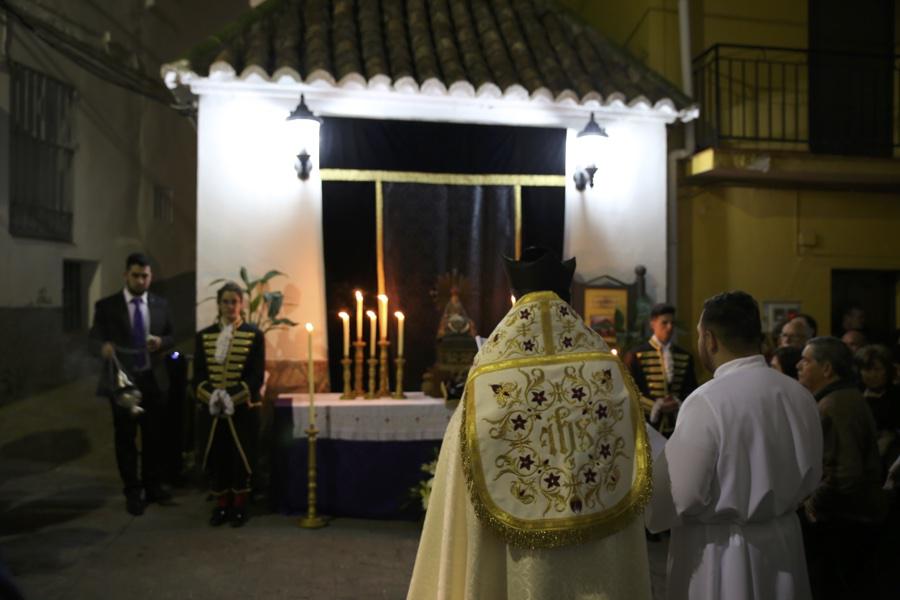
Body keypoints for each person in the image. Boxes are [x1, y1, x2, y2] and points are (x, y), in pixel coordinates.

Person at [407, 247, 653, 600]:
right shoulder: (606, 372)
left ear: (514, 298)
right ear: (568, 298)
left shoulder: (489, 376)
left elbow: (457, 469)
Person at [645, 291, 823, 600]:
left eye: (701, 335)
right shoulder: (799, 395)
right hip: (784, 544)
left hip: (721, 554)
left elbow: (680, 495)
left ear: (710, 340)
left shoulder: (706, 400)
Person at [797, 337, 888, 600]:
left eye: (807, 360)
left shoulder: (836, 405)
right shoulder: (839, 397)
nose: (799, 366)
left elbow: (845, 473)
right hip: (847, 518)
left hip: (846, 521)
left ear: (827, 369)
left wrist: (812, 505)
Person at [90, 252, 174, 516]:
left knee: (153, 437)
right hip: (122, 382)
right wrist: (102, 347)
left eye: (145, 276)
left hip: (152, 379)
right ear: (126, 275)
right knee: (125, 438)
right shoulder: (107, 306)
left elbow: (172, 334)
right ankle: (132, 491)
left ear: (151, 277)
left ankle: (152, 486)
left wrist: (161, 343)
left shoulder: (160, 304)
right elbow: (93, 338)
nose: (140, 280)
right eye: (136, 275)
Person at [194, 281, 265, 527]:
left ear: (241, 304)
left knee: (241, 457)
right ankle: (221, 505)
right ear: (219, 304)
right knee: (218, 457)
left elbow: (256, 375)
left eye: (234, 301)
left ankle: (239, 506)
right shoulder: (204, 336)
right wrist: (212, 396)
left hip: (243, 410)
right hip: (213, 411)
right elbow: (199, 375)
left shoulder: (254, 335)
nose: (229, 306)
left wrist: (231, 397)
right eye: (225, 301)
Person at [624, 303, 697, 437]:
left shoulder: (685, 356)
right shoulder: (635, 355)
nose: (669, 327)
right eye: (664, 323)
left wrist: (677, 403)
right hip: (647, 426)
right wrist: (654, 406)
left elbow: (691, 389)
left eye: (672, 323)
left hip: (677, 426)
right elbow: (629, 392)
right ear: (653, 323)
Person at [854, 345, 900, 471]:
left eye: (877, 369)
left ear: (887, 370)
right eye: (867, 370)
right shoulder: (854, 394)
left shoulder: (896, 395)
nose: (872, 375)